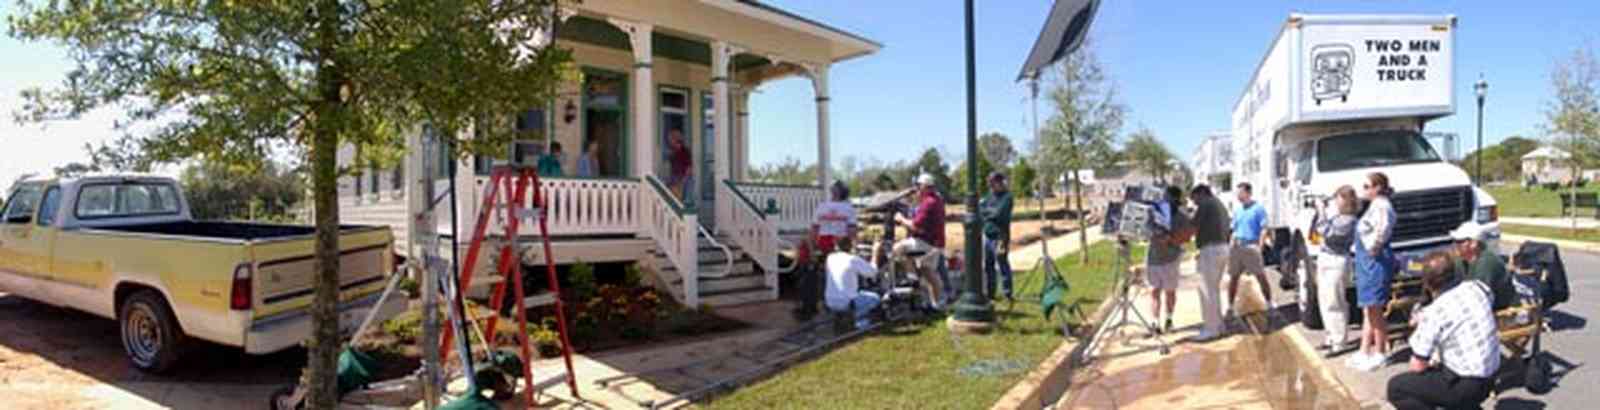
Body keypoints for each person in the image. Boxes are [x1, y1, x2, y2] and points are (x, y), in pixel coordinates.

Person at [1386, 252, 1500, 410]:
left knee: (1396, 388)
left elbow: (1417, 365)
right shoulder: (1478, 287)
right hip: (1491, 376)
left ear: (1427, 282)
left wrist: (1420, 324)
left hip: (1465, 384)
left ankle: (1461, 403)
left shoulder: (1434, 312)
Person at [1349, 172, 1397, 372]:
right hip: (1364, 261)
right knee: (1367, 308)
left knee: (1375, 309)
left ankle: (1380, 352)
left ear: (1378, 188)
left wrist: (1373, 250)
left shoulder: (1383, 206)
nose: (1364, 190)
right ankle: (1363, 350)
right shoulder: (1373, 206)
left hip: (1374, 262)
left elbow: (1383, 230)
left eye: (1367, 186)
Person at [1314, 185, 1361, 355]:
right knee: (1324, 300)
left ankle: (1339, 341)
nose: (1335, 201)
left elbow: (1325, 232)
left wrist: (1321, 210)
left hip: (1337, 261)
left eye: (1338, 198)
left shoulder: (1349, 220)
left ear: (1346, 200)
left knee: (1335, 301)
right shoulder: (1338, 217)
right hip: (1326, 257)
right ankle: (1330, 336)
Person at [893, 174, 948, 309]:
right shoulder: (936, 199)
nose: (916, 188)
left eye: (918, 186)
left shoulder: (929, 202)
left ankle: (912, 279)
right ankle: (936, 304)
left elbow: (915, 226)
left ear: (925, 187)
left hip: (927, 243)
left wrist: (901, 219)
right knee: (928, 272)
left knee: (897, 249)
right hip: (934, 242)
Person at [1147, 185, 1194, 334]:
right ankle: (1155, 322)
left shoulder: (1181, 217)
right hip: (1153, 259)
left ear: (1175, 198)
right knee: (1154, 291)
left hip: (1171, 260)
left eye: (1167, 196)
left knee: (1169, 292)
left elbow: (1188, 236)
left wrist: (1171, 240)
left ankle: (1169, 319)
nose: (1164, 199)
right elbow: (1145, 230)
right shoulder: (1154, 213)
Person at [1189, 184, 1231, 341]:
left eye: (1194, 199)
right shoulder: (1218, 203)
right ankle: (1219, 325)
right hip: (1222, 248)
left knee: (1206, 290)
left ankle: (1210, 329)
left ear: (1201, 194)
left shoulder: (1205, 204)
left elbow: (1192, 226)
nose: (1194, 203)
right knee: (1213, 290)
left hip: (1210, 249)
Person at [1226, 182, 1272, 317]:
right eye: (1237, 193)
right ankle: (1230, 306)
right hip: (1237, 246)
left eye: (1240, 192)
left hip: (1251, 246)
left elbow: (1264, 229)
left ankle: (1268, 303)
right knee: (1233, 277)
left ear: (1248, 193)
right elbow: (1234, 229)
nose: (1238, 195)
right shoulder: (1238, 210)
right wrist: (1231, 245)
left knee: (1260, 276)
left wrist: (1260, 246)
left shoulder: (1258, 209)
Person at [1450, 224, 1517, 311]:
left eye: (1460, 241)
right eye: (1454, 241)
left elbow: (1478, 298)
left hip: (1498, 309)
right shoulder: (1461, 261)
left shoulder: (1487, 262)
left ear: (1474, 243)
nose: (1455, 244)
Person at [825, 236, 881, 328]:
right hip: (846, 301)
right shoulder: (853, 259)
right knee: (875, 298)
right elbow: (872, 273)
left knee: (858, 293)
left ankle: (841, 318)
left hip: (830, 301)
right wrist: (875, 253)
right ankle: (861, 323)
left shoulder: (830, 258)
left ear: (836, 246)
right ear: (850, 246)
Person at [980, 171, 1015, 301]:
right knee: (988, 265)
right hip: (987, 236)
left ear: (1000, 182)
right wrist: (989, 212)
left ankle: (1007, 293)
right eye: (989, 183)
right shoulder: (989, 195)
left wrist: (988, 212)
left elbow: (999, 214)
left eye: (993, 183)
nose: (991, 186)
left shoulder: (1007, 197)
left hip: (1001, 236)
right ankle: (991, 293)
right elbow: (980, 209)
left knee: (1002, 262)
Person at [811, 181, 857, 259]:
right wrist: (853, 244)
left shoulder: (822, 206)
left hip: (824, 240)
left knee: (826, 262)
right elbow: (851, 229)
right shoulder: (848, 208)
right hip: (841, 241)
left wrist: (813, 244)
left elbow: (815, 227)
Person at [668, 129, 692, 198]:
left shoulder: (685, 151)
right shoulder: (673, 151)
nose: (670, 141)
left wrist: (684, 179)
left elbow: (689, 166)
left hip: (682, 178)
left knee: (681, 198)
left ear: (675, 139)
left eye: (671, 139)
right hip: (674, 177)